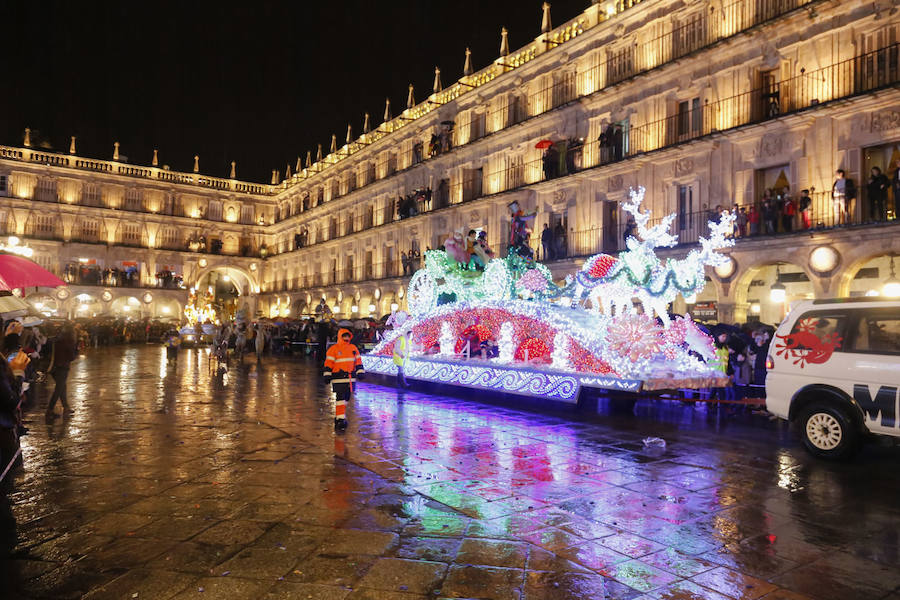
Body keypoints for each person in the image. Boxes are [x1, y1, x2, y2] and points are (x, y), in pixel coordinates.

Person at [323, 328, 364, 429]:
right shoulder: (334, 349)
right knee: (340, 398)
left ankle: (339, 416)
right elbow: (329, 363)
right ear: (340, 336)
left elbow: (358, 361)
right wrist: (327, 374)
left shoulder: (353, 348)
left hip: (350, 378)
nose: (346, 338)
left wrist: (360, 372)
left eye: (347, 336)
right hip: (339, 377)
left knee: (346, 398)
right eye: (344, 336)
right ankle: (341, 419)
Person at [46, 326, 77, 418]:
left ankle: (66, 407)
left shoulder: (54, 340)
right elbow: (71, 357)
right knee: (59, 389)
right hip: (62, 367)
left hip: (53, 368)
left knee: (62, 386)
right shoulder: (68, 342)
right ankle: (49, 410)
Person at [390, 311, 410, 388]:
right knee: (401, 371)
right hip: (399, 358)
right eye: (409, 333)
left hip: (403, 358)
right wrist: (401, 354)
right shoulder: (401, 339)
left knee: (400, 372)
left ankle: (399, 383)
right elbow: (397, 348)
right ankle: (404, 384)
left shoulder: (408, 340)